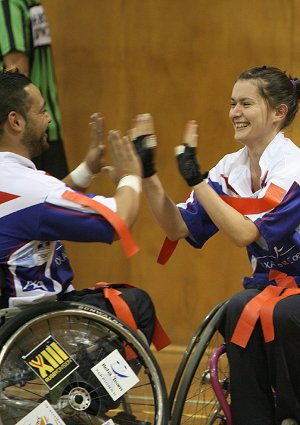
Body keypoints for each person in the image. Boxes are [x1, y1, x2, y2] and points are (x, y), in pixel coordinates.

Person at [131, 67, 300, 425]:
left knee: (286, 314)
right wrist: (149, 175)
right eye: (232, 103)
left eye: (246, 103)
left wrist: (196, 179)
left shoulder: (293, 167)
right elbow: (177, 227)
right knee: (237, 306)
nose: (235, 112)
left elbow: (244, 234)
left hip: (294, 294)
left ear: (278, 113)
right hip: (273, 287)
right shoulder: (230, 169)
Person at [0, 68, 160, 348]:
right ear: (16, 122)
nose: (48, 118)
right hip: (34, 327)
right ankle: (90, 390)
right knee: (135, 305)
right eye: (42, 111)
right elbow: (116, 222)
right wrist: (131, 175)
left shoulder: (14, 183)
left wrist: (87, 170)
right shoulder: (27, 186)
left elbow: (36, 211)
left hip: (9, 318)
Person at [0, 0, 69, 178]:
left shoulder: (20, 3)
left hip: (31, 125)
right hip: (34, 125)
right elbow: (18, 69)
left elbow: (18, 70)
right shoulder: (19, 3)